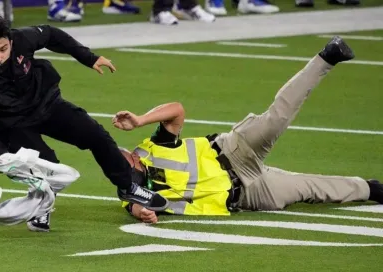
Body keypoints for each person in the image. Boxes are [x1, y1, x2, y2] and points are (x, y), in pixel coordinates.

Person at [112, 36, 383, 223]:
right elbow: (135, 204)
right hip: (247, 194)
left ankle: (327, 56)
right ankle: (371, 189)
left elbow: (177, 110)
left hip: (235, 150)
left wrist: (140, 120)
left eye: (122, 165)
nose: (122, 174)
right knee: (309, 189)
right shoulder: (131, 190)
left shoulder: (153, 147)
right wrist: (142, 214)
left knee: (277, 118)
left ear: (134, 157)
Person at [0, 11, 168, 231]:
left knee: (97, 136)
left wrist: (89, 57)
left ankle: (128, 187)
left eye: (3, 49)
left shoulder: (22, 39)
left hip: (47, 105)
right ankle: (40, 209)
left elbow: (51, 34)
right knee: (47, 165)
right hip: (13, 124)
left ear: (10, 41)